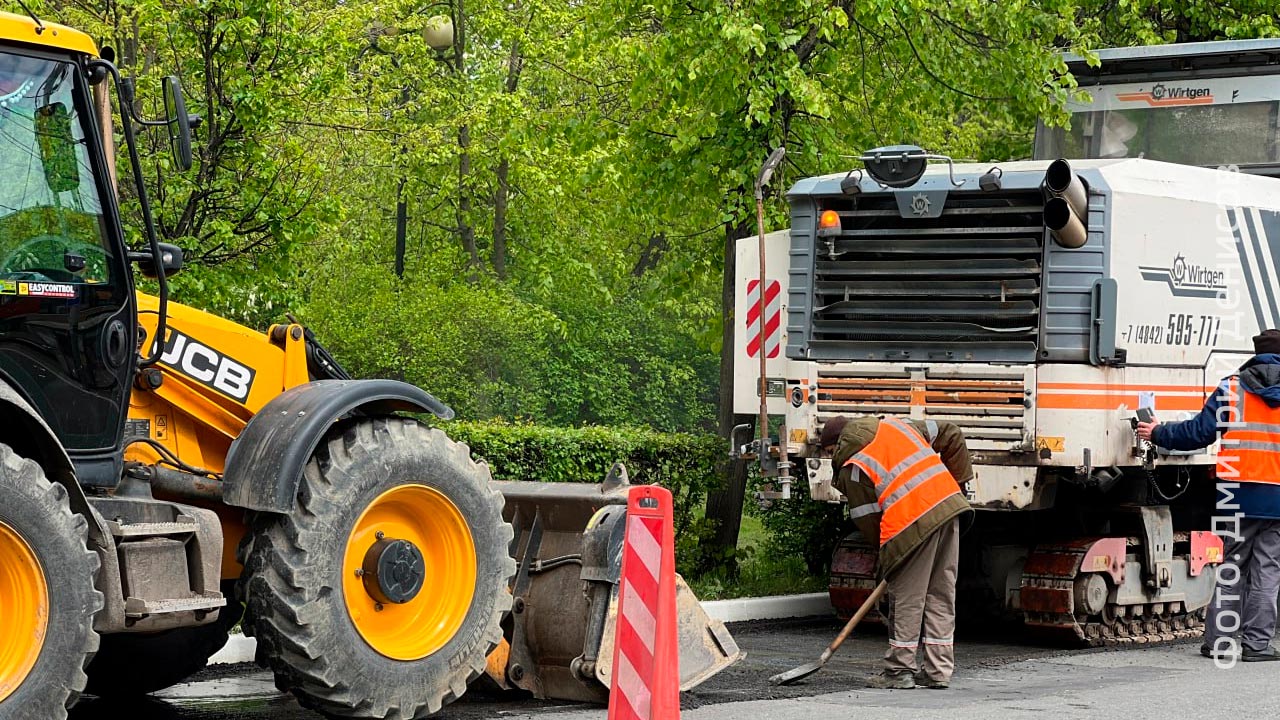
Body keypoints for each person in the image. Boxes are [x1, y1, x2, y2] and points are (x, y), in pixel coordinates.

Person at [1138, 329, 1280, 662]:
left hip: (1236, 496)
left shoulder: (1232, 388)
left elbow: (1197, 433)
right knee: (1268, 572)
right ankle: (1257, 645)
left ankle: (1219, 643)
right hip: (1277, 500)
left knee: (1231, 569)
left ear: (1256, 353)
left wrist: (1157, 431)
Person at [820, 415, 973, 689]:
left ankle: (899, 671)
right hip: (949, 507)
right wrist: (958, 483)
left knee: (907, 598)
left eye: (830, 452)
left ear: (836, 444)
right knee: (940, 594)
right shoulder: (896, 425)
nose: (832, 457)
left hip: (910, 522)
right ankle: (938, 671)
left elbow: (870, 523)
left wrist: (889, 560)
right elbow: (952, 431)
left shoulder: (852, 467)